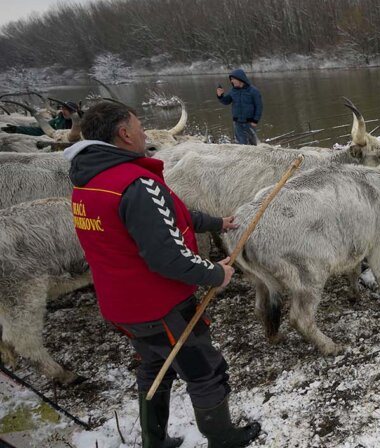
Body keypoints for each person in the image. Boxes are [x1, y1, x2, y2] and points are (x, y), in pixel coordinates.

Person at [64, 101, 261, 448]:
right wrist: (216, 273)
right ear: (124, 133)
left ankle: (154, 443)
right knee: (206, 371)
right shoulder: (136, 183)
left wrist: (217, 222)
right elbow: (167, 257)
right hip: (160, 306)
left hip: (121, 305)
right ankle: (224, 440)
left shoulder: (89, 182)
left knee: (156, 367)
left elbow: (167, 215)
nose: (143, 133)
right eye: (139, 126)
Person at [216, 69, 263, 145]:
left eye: (233, 79)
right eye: (231, 80)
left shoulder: (253, 91)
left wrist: (255, 120)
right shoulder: (233, 91)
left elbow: (259, 107)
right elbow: (226, 101)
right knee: (241, 144)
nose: (232, 81)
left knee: (252, 144)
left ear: (240, 79)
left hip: (250, 122)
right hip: (237, 122)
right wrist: (220, 96)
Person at [1, 101, 78, 135]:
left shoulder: (82, 123)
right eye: (63, 109)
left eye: (67, 109)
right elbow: (40, 130)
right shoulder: (57, 121)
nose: (64, 111)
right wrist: (17, 129)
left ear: (74, 112)